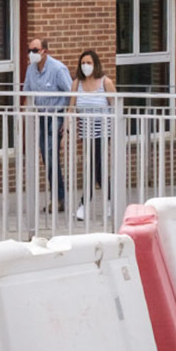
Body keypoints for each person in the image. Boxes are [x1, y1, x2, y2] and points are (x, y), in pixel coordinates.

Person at [23, 36, 73, 211]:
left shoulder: (58, 69)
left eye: (35, 50)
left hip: (56, 115)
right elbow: (27, 93)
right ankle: (57, 197)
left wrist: (66, 121)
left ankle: (59, 198)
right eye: (29, 51)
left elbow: (71, 94)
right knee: (46, 155)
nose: (31, 54)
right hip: (41, 116)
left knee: (51, 154)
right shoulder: (31, 70)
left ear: (44, 51)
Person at [69, 50, 114, 222]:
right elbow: (71, 107)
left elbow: (116, 105)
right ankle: (110, 201)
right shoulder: (76, 84)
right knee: (98, 169)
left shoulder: (105, 82)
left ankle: (83, 205)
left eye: (89, 62)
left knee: (93, 166)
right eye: (83, 63)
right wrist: (67, 130)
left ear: (95, 64)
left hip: (102, 130)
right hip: (86, 131)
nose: (85, 66)